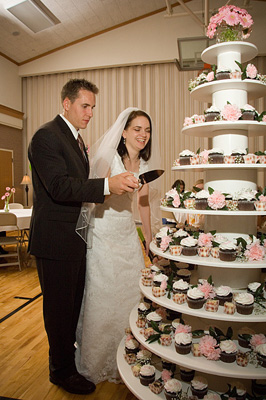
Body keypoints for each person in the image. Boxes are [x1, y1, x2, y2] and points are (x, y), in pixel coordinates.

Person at [28, 79, 139, 395]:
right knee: (59, 309)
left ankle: (68, 360)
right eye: (85, 106)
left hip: (74, 237)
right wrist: (107, 186)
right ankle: (60, 371)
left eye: (93, 107)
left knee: (73, 304)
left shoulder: (75, 140)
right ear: (67, 103)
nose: (90, 113)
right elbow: (60, 187)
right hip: (54, 239)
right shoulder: (46, 136)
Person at [75, 107, 162, 384]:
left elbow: (144, 205)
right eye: (137, 129)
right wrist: (114, 186)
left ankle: (131, 353)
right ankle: (98, 359)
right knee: (104, 294)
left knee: (130, 294)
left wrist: (149, 242)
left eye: (147, 130)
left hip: (126, 234)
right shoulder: (108, 158)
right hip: (103, 232)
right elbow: (89, 195)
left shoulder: (145, 168)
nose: (143, 135)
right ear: (123, 132)